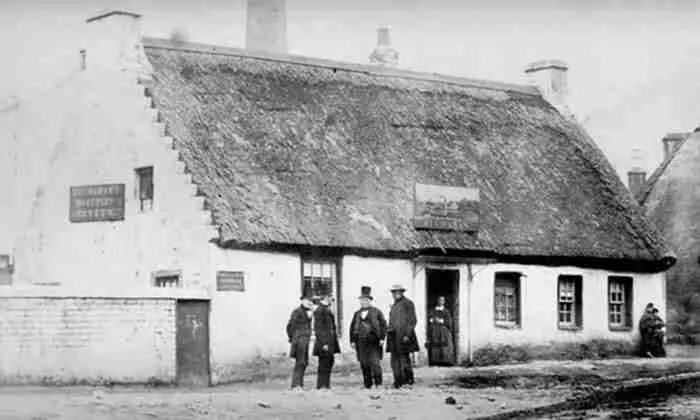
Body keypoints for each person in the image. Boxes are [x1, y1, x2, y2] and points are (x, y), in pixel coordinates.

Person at [349, 286, 387, 389]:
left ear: (370, 301)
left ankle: (378, 384)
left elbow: (384, 325)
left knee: (375, 363)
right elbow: (352, 327)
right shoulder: (357, 314)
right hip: (361, 342)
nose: (364, 302)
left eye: (366, 300)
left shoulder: (377, 312)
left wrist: (382, 338)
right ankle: (368, 384)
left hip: (373, 341)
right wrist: (352, 340)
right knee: (364, 363)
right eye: (362, 300)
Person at [386, 283, 419, 389]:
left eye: (398, 292)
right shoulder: (394, 305)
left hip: (403, 336)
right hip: (393, 336)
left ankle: (408, 380)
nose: (395, 294)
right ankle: (397, 381)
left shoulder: (408, 303)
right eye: (394, 292)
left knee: (404, 359)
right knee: (394, 360)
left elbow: (412, 320)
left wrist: (407, 335)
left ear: (402, 292)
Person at [286, 292, 315, 390]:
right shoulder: (297, 312)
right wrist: (293, 338)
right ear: (302, 301)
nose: (309, 303)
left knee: (304, 362)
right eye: (307, 300)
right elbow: (290, 326)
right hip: (299, 340)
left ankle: (299, 384)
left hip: (305, 340)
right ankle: (296, 385)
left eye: (310, 301)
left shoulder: (309, 312)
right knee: (300, 362)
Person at [312, 296, 341, 390]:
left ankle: (325, 384)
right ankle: (322, 385)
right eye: (329, 298)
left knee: (329, 362)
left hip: (330, 342)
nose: (331, 299)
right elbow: (318, 329)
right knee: (324, 363)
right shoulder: (320, 310)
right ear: (324, 298)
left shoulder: (326, 309)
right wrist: (324, 343)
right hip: (324, 342)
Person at [426, 296, 455, 366]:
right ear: (437, 301)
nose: (441, 302)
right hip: (435, 331)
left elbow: (449, 322)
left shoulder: (446, 311)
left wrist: (441, 321)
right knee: (435, 346)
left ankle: (446, 361)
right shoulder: (433, 311)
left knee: (445, 346)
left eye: (442, 300)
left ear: (444, 302)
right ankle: (436, 361)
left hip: (444, 331)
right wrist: (432, 320)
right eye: (440, 300)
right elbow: (429, 319)